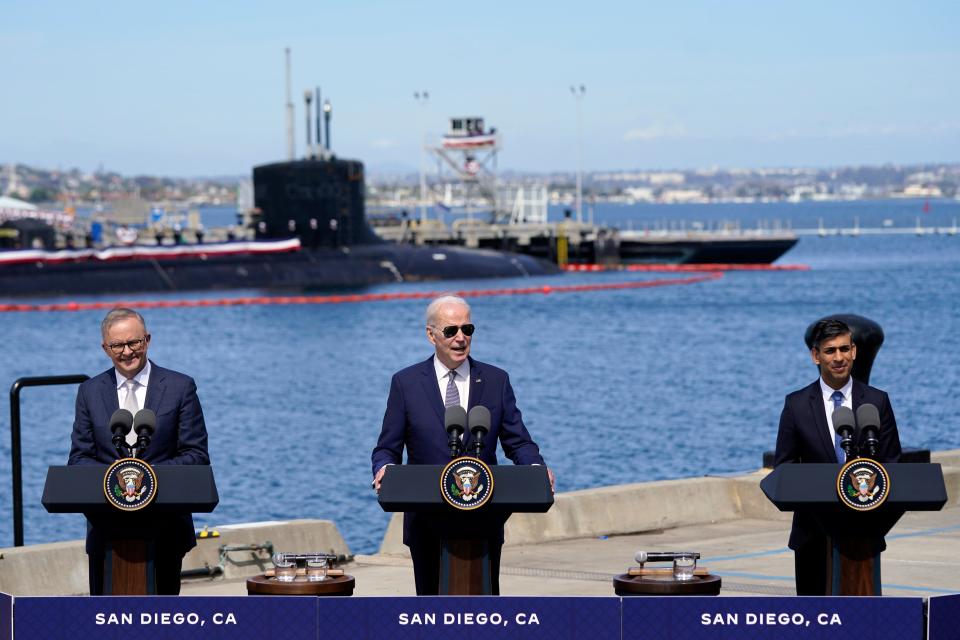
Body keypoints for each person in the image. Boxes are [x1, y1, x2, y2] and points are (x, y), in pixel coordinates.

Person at [371, 295, 555, 595]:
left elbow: (518, 441)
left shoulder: (496, 380)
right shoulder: (406, 383)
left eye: (467, 329)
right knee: (432, 612)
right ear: (431, 335)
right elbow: (387, 448)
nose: (461, 338)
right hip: (427, 522)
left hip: (484, 519)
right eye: (451, 331)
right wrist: (384, 468)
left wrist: (535, 468)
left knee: (482, 607)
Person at [68, 307, 210, 595]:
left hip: (165, 528)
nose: (127, 352)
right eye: (117, 345)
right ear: (105, 348)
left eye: (134, 343)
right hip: (107, 530)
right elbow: (79, 459)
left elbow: (196, 456)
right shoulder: (90, 391)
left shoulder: (180, 387)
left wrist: (147, 477)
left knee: (161, 622)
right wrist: (117, 478)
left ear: (147, 340)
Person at [774, 318, 901, 595]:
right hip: (812, 535)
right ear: (815, 356)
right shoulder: (796, 405)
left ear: (855, 351)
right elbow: (784, 468)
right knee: (815, 622)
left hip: (864, 534)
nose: (839, 357)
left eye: (845, 349)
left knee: (862, 623)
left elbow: (892, 464)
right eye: (830, 351)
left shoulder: (877, 401)